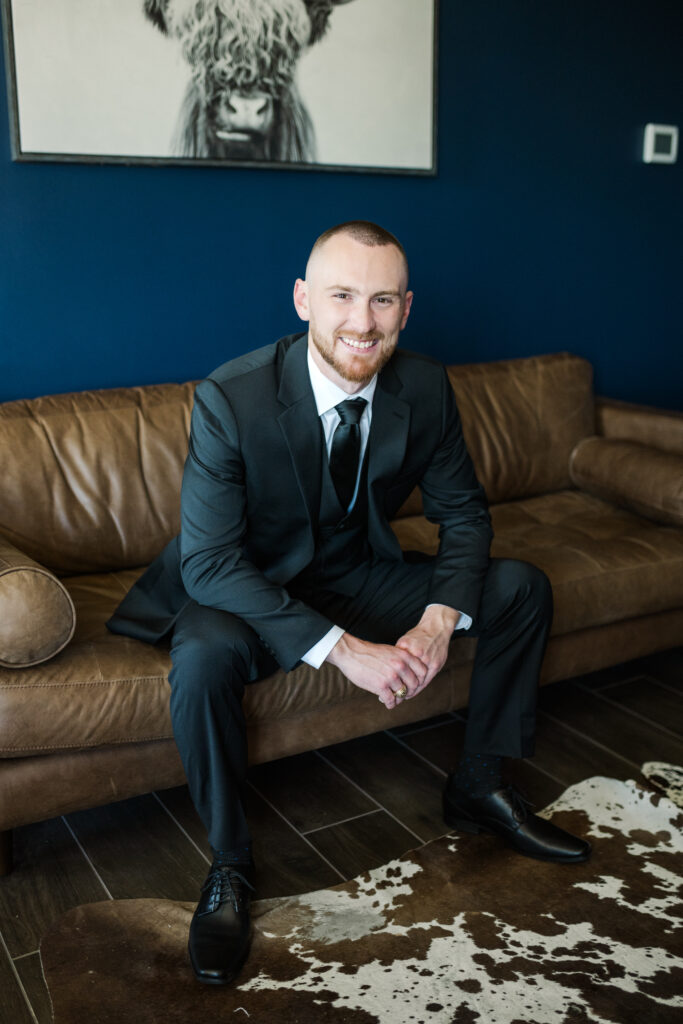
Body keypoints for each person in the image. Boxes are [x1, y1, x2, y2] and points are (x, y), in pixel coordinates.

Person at [107, 220, 590, 986]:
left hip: (361, 570)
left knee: (517, 587)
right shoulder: (231, 397)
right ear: (302, 300)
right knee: (199, 659)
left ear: (405, 308)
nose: (361, 322)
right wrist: (345, 651)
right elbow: (209, 560)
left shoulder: (424, 386)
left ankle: (479, 785)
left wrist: (436, 621)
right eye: (341, 296)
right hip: (247, 586)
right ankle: (230, 865)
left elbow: (463, 515)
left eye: (381, 300)